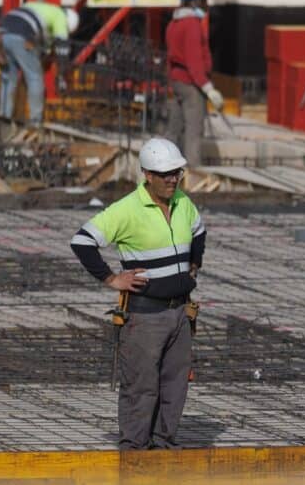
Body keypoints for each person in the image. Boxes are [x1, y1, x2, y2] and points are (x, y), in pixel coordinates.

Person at [69, 137, 205, 450]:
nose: (173, 179)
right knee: (141, 388)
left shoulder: (182, 202)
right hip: (145, 317)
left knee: (174, 388)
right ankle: (134, 452)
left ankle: (163, 447)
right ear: (147, 174)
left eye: (177, 172)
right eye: (166, 173)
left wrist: (194, 263)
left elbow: (199, 230)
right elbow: (82, 241)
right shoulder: (127, 210)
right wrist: (111, 278)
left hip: (179, 314)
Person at [165, 0, 222, 166]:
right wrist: (209, 89)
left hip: (176, 81)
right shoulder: (191, 25)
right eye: (204, 0)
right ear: (195, 1)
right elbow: (194, 61)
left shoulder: (174, 23)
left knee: (174, 129)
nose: (206, 5)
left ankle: (165, 169)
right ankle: (193, 175)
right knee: (193, 132)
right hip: (191, 85)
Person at [0, 1, 79, 126]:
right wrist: (62, 75)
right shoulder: (60, 17)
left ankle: (4, 117)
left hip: (4, 31)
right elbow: (62, 47)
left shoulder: (45, 10)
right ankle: (35, 122)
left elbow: (44, 44)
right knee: (35, 77)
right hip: (23, 33)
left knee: (8, 79)